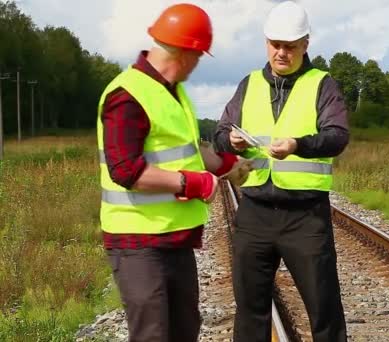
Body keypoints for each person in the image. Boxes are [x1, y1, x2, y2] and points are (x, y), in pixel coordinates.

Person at [97, 4, 249, 341]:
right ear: (187, 51)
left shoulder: (174, 92)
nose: (196, 66)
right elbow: (126, 170)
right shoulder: (127, 96)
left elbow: (191, 151)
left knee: (183, 331)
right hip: (137, 241)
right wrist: (192, 183)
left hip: (174, 237)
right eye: (198, 57)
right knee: (153, 334)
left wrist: (228, 166)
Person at [214, 2, 349, 341]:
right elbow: (219, 135)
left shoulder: (323, 85)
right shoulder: (248, 86)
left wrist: (298, 145)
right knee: (249, 311)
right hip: (255, 213)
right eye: (275, 44)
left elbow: (337, 136)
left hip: (305, 218)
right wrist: (230, 141)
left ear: (305, 44)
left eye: (290, 46)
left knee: (324, 312)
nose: (281, 52)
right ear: (266, 43)